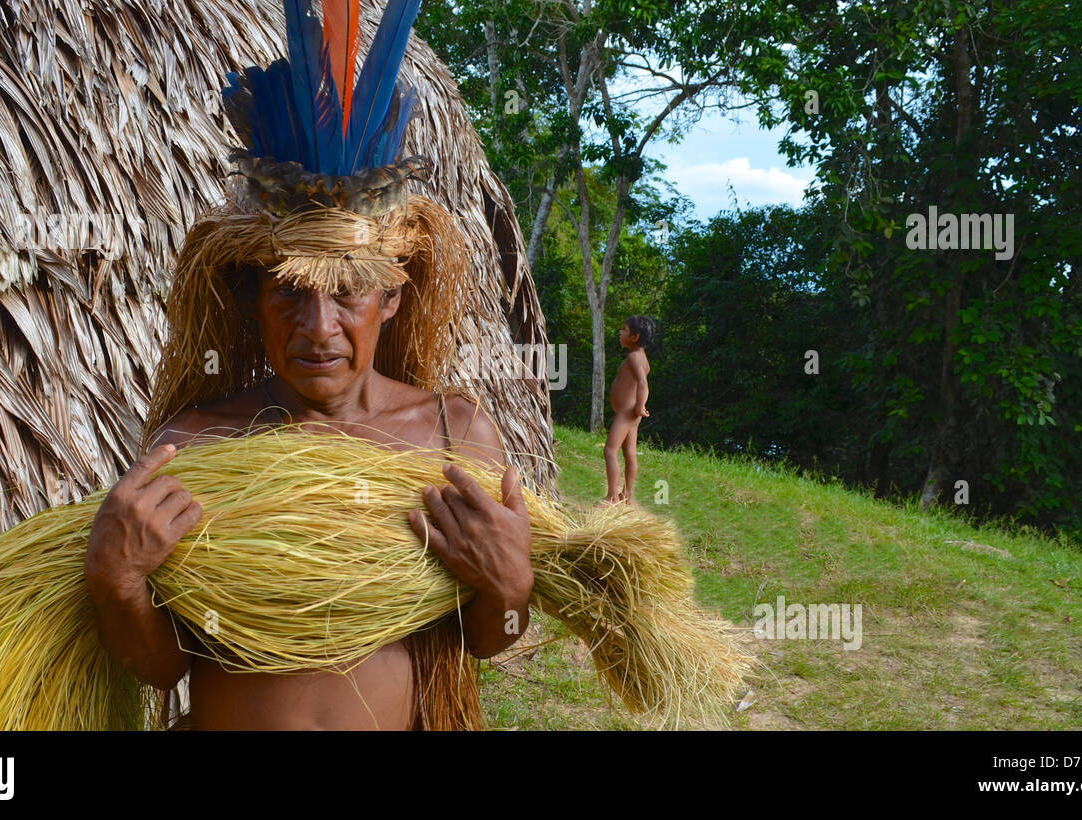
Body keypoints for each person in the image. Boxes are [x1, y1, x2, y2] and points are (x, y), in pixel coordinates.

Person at [82, 0, 533, 730]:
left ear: (391, 296)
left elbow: (489, 643)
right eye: (289, 293)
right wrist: (117, 582)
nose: (317, 328)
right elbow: (161, 667)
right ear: (252, 299)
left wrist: (512, 588)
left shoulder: (453, 438)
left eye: (347, 293)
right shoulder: (196, 444)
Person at [603, 315, 655, 506]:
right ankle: (628, 495)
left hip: (627, 412)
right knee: (630, 454)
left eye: (624, 330)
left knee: (610, 451)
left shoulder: (634, 358)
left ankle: (612, 496)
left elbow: (643, 383)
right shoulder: (642, 358)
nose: (620, 332)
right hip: (631, 413)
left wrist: (640, 405)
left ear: (634, 337)